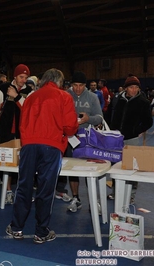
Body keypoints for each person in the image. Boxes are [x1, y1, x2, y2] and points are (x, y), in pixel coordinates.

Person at [6, 68, 78, 243]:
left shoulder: (31, 97)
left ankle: (16, 228)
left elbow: (23, 122)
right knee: (46, 189)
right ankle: (41, 232)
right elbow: (70, 127)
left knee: (24, 186)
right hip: (51, 146)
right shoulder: (64, 96)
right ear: (59, 81)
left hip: (29, 145)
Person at [105, 74, 153, 202]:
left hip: (131, 139)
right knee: (116, 166)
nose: (134, 90)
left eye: (136, 87)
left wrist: (136, 131)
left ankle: (130, 195)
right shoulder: (117, 100)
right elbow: (109, 115)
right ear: (126, 88)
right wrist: (109, 129)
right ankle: (115, 192)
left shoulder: (143, 102)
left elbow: (148, 122)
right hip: (115, 139)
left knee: (132, 168)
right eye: (131, 87)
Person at [0, 64, 31, 204]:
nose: (23, 80)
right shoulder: (2, 88)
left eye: (26, 77)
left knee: (23, 164)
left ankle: (22, 192)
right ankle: (7, 192)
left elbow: (30, 110)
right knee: (6, 163)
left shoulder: (29, 91)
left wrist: (17, 96)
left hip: (22, 134)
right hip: (5, 132)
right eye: (21, 77)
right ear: (15, 76)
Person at [65, 71, 103, 212]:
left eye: (81, 85)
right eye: (75, 85)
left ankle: (94, 200)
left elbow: (99, 117)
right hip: (70, 138)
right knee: (71, 169)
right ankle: (76, 198)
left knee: (90, 170)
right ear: (71, 85)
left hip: (87, 138)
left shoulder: (93, 97)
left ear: (85, 85)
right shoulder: (66, 95)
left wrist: (88, 119)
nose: (78, 88)